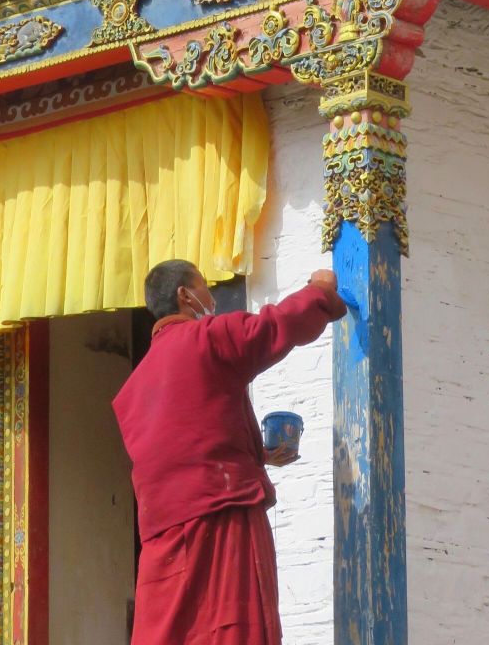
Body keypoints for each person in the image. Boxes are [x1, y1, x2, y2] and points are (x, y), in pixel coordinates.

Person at [112, 259, 346, 644]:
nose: (212, 299)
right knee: (237, 630)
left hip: (164, 540)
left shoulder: (132, 390)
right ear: (185, 296)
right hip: (222, 516)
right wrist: (319, 292)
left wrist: (257, 453)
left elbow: (187, 441)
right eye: (205, 288)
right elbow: (274, 326)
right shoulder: (205, 338)